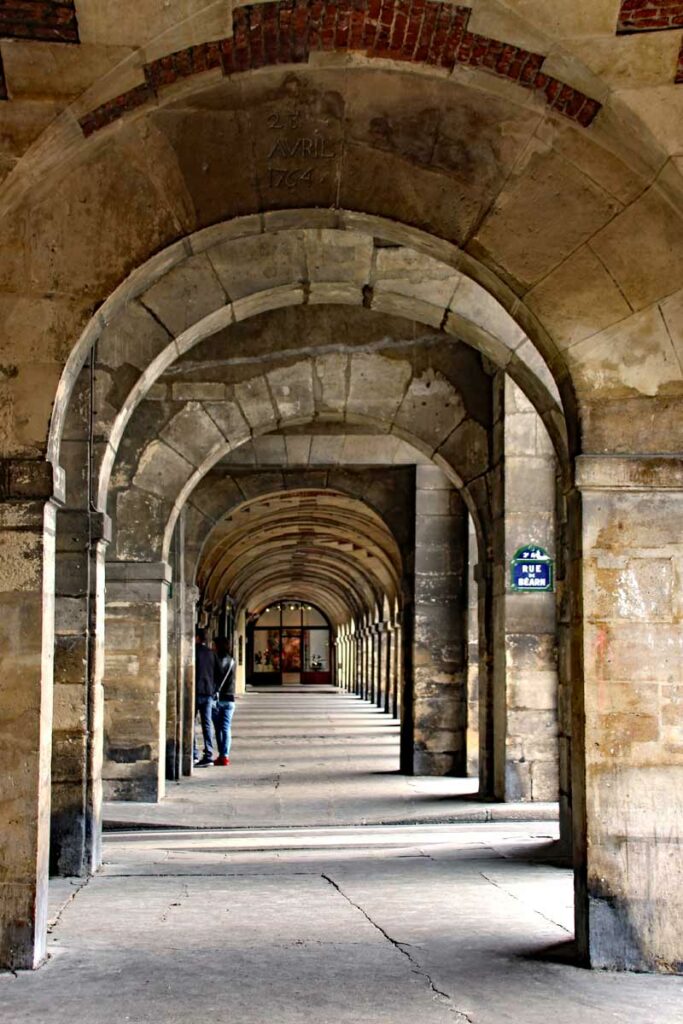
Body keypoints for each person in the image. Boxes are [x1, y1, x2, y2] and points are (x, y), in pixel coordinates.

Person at [194, 627, 220, 767]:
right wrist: (214, 689)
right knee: (207, 724)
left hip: (194, 692)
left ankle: (193, 754)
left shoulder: (193, 652)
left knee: (191, 724)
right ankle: (209, 754)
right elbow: (219, 673)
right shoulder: (211, 654)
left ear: (197, 637)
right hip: (208, 693)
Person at [212, 636, 236, 766]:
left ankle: (221, 754)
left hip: (218, 698)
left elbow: (214, 678)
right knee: (226, 728)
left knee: (218, 729)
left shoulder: (215, 660)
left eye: (214, 645)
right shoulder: (232, 661)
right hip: (230, 698)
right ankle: (224, 755)